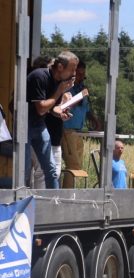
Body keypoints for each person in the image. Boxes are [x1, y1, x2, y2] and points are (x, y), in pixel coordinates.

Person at [26, 51, 78, 189]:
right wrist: (59, 91)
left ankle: (54, 203)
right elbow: (41, 108)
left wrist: (61, 113)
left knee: (51, 170)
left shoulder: (58, 82)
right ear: (60, 67)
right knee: (24, 171)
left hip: (39, 125)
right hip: (25, 127)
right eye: (72, 69)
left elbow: (52, 108)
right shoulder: (39, 76)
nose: (74, 74)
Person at [61, 60, 101, 188]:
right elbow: (67, 105)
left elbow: (86, 108)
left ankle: (70, 192)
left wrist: (94, 120)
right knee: (73, 165)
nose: (81, 77)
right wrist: (80, 94)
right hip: (67, 130)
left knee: (77, 166)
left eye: (83, 75)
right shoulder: (67, 87)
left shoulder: (81, 88)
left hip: (79, 132)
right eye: (79, 74)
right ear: (73, 73)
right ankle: (66, 195)